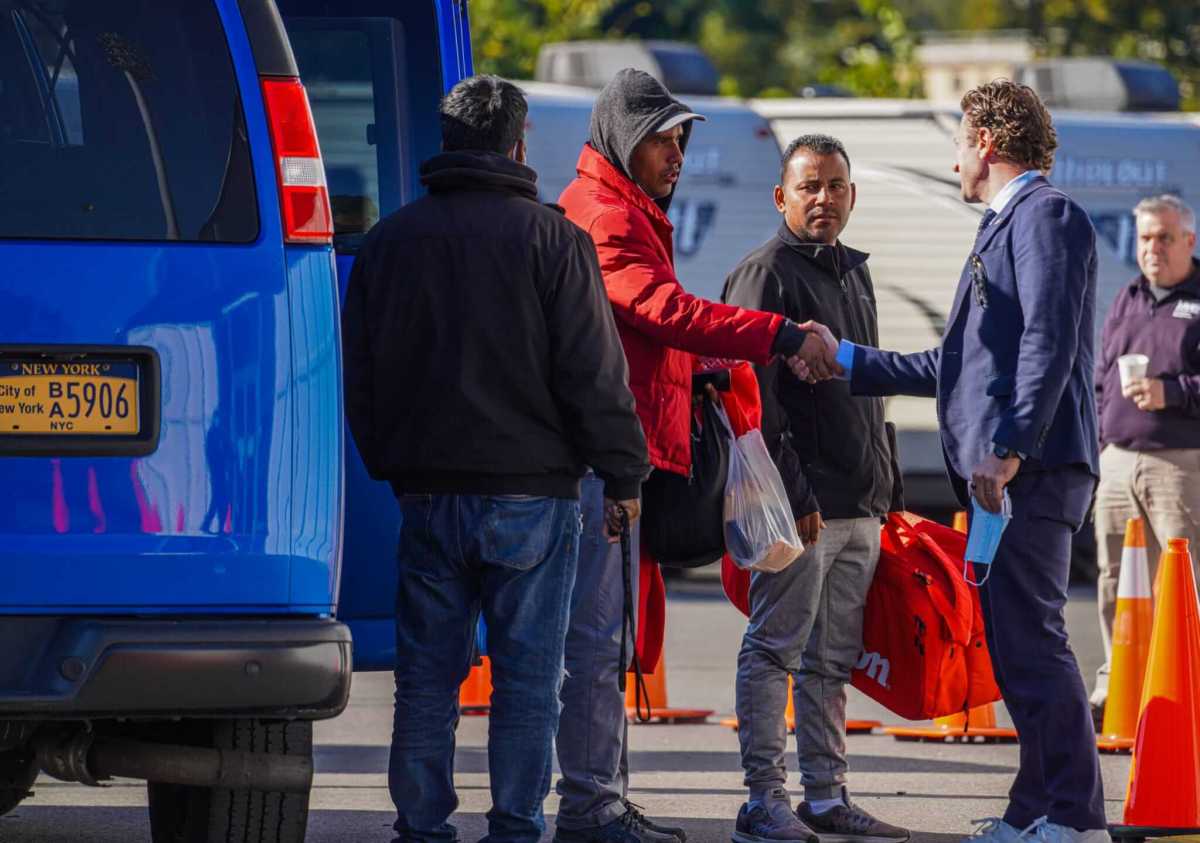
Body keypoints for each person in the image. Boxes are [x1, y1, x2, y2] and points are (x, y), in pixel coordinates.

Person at [341, 74, 651, 843]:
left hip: (428, 493)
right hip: (533, 498)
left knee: (425, 681)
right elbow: (593, 372)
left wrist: (392, 460)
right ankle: (515, 826)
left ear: (447, 142)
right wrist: (623, 473)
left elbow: (361, 368)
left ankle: (421, 827)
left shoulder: (390, 242)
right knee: (526, 680)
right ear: (517, 145)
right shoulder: (555, 240)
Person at [812, 80, 1109, 842]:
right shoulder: (1006, 224)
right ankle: (1033, 808)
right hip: (1007, 477)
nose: (951, 164)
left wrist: (1008, 447)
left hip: (1032, 471)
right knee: (1014, 649)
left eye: (955, 144)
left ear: (983, 139)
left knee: (1035, 643)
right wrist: (842, 357)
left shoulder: (1047, 216)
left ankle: (1075, 817)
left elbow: (1047, 340)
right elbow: (953, 363)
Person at [554, 68, 828, 843]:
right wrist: (774, 335)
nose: (678, 156)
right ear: (623, 140)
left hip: (622, 453)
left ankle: (602, 801)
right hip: (605, 459)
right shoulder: (605, 215)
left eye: (681, 140)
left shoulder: (626, 206)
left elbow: (644, 334)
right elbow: (662, 310)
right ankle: (591, 810)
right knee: (598, 645)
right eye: (664, 141)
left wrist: (705, 369)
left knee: (611, 643)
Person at [721, 134, 908, 843]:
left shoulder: (854, 275)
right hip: (800, 509)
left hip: (860, 506)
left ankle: (826, 797)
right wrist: (796, 496)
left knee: (832, 661)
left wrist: (884, 488)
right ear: (782, 197)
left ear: (852, 196)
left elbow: (867, 392)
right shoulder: (764, 273)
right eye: (809, 187)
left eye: (835, 186)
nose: (823, 198)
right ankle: (762, 800)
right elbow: (752, 404)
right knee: (774, 649)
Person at [1090, 194, 1200, 720]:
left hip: (1180, 462)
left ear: (1189, 241)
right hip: (1118, 461)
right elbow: (1100, 377)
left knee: (1185, 579)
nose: (1152, 248)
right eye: (1144, 238)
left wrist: (1171, 393)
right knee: (1117, 578)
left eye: (1164, 237)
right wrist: (1098, 445)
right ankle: (1121, 684)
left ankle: (1188, 688)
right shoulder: (1128, 296)